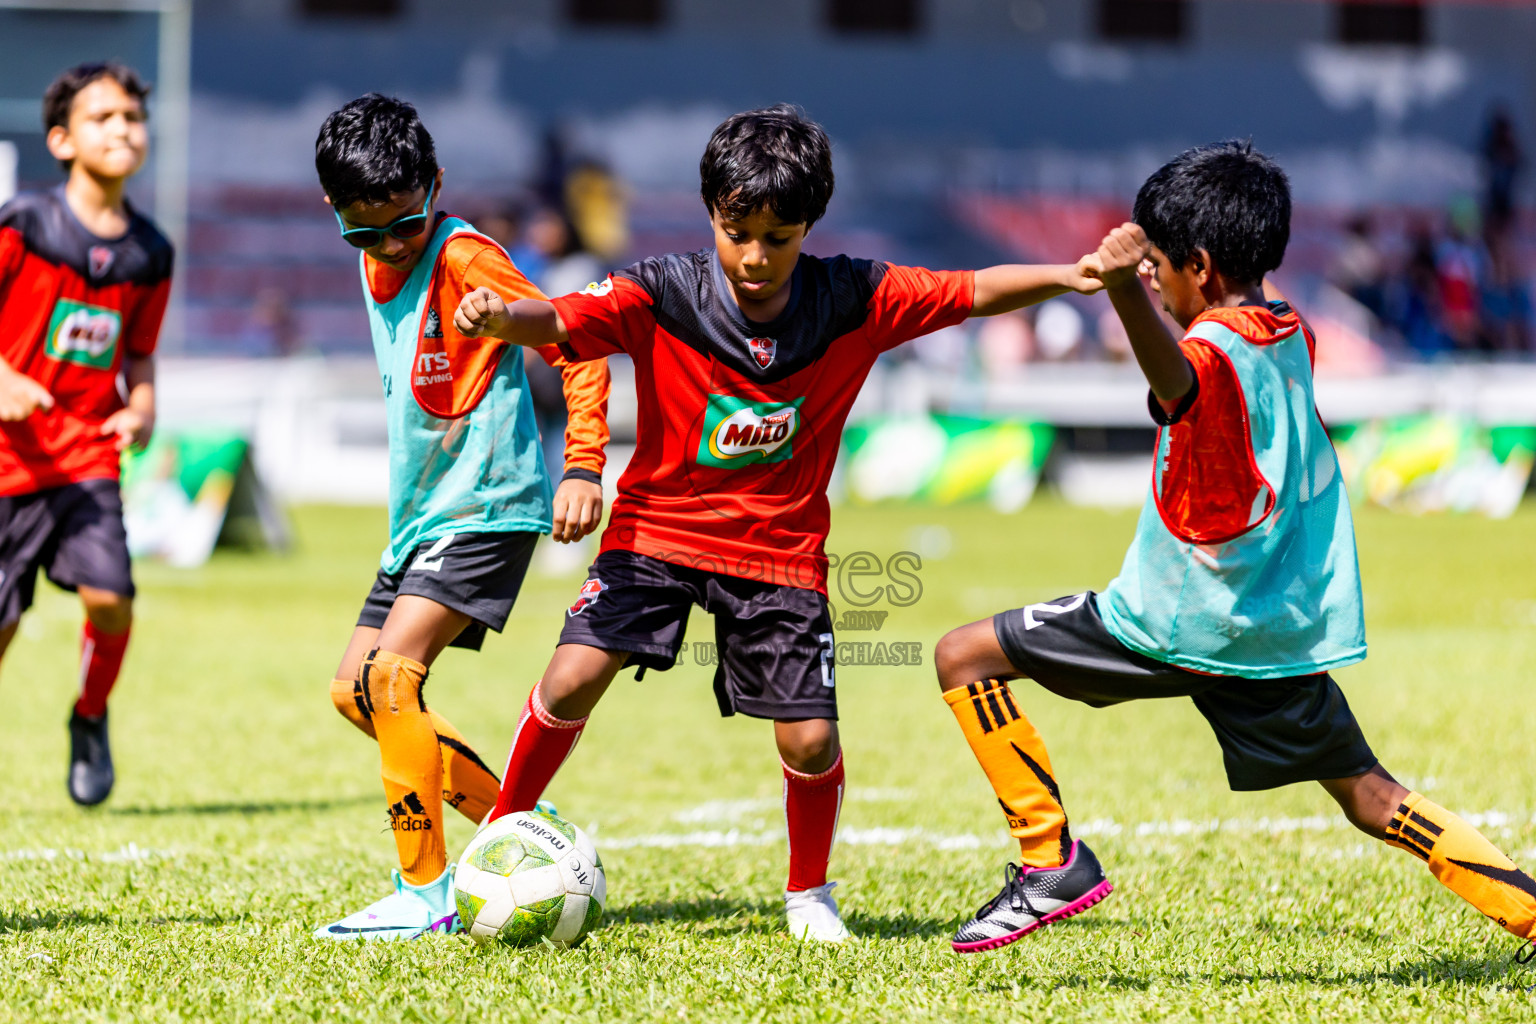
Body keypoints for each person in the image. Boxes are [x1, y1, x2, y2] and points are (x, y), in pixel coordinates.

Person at [452, 104, 1103, 942]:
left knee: (808, 738)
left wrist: (1075, 274)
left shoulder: (856, 297)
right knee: (572, 677)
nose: (755, 257)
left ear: (809, 228)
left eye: (779, 237)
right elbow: (564, 320)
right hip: (654, 534)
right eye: (737, 232)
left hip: (779, 556)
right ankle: (499, 841)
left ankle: (809, 896)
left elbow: (975, 292)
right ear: (711, 214)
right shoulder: (660, 290)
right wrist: (503, 319)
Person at [933, 140, 1536, 961]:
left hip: (1176, 617)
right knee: (1370, 795)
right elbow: (1214, 323)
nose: (1153, 279)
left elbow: (1176, 379)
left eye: (1162, 267)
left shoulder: (1208, 354)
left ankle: (1051, 862)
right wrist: (1153, 271)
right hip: (1267, 631)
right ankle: (1529, 911)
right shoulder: (1291, 330)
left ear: (1204, 267)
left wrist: (1118, 289)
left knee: (962, 656)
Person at [310, 94, 611, 941]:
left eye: (406, 224)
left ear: (434, 188)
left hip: (487, 505)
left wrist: (582, 464)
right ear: (335, 212)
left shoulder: (466, 256)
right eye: (365, 234)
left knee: (392, 678)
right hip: (420, 518)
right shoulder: (373, 244)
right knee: (352, 692)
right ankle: (525, 826)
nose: (392, 246)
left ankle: (425, 893)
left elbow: (576, 340)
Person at [0, 62, 173, 807]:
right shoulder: (24, 225)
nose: (122, 129)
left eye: (131, 117)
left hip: (86, 456)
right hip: (8, 460)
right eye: (102, 118)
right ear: (62, 139)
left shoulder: (150, 252)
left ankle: (90, 713)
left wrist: (141, 407)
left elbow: (138, 352)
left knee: (111, 598)